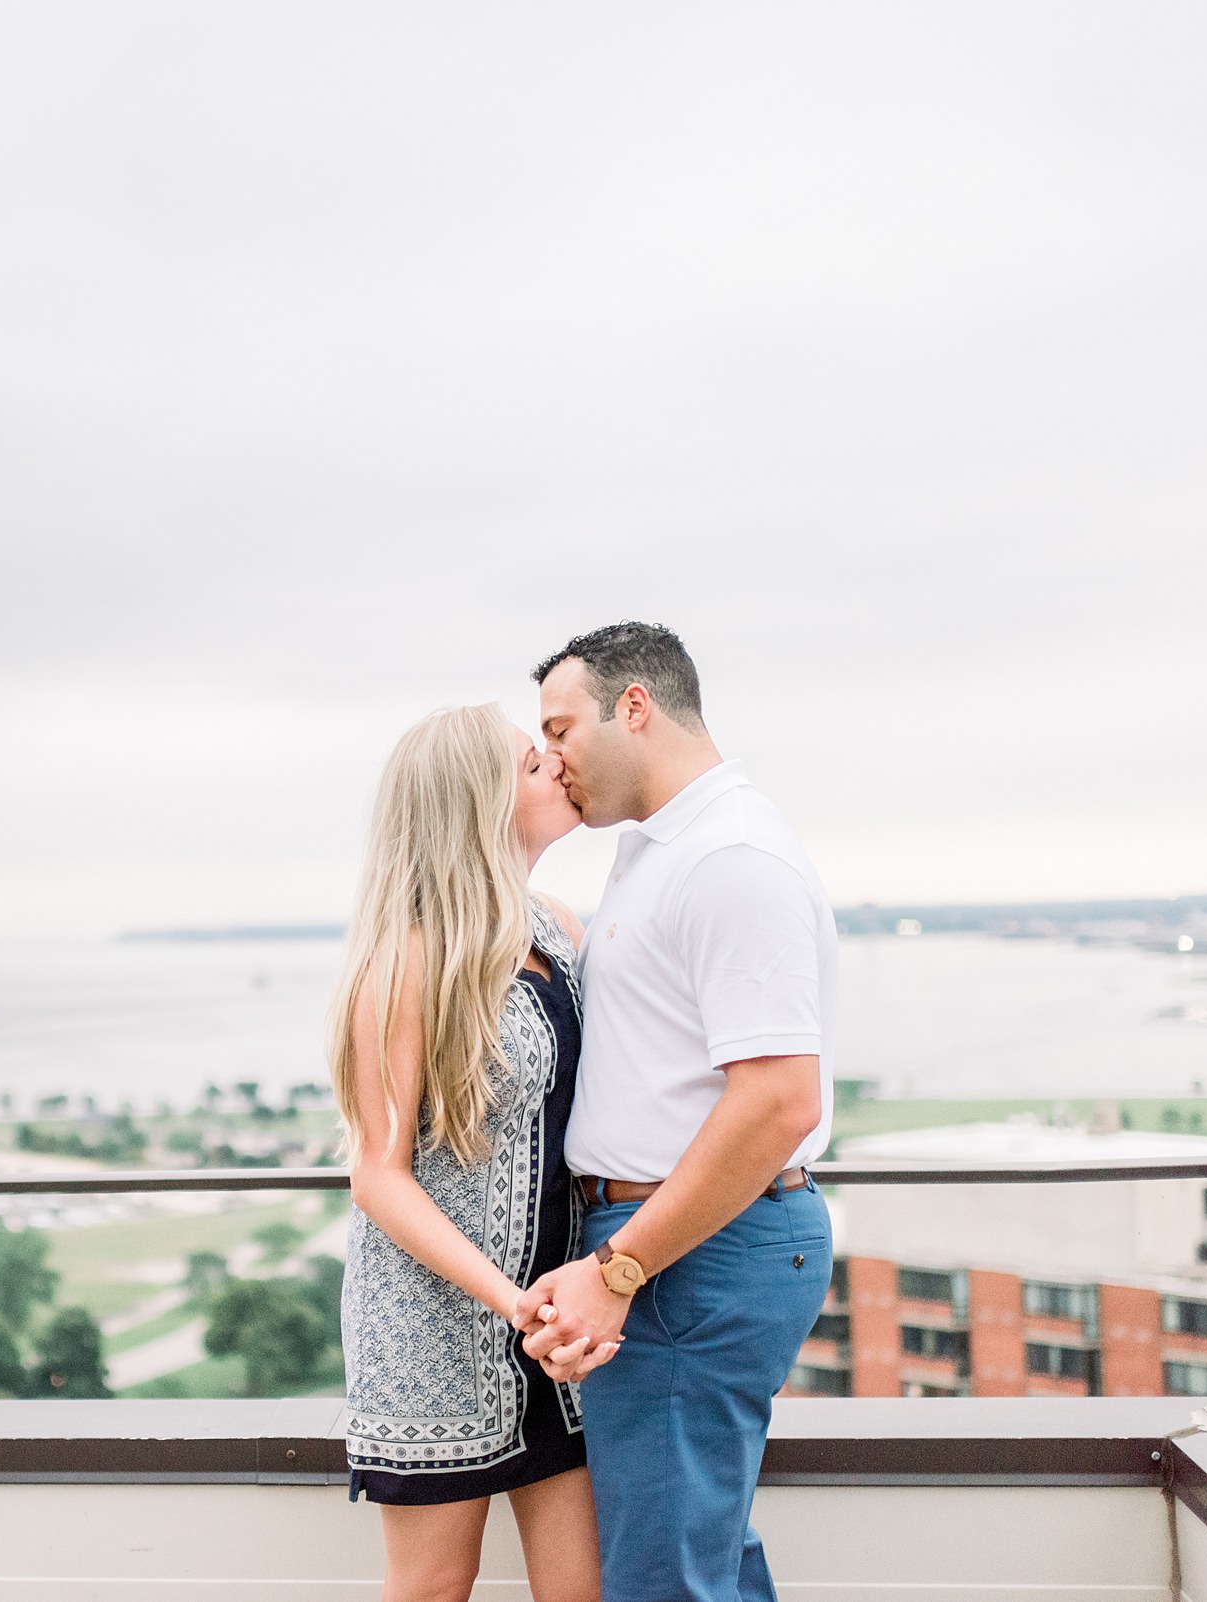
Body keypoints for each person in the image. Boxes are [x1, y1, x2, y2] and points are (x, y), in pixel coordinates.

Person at [515, 622, 838, 1602]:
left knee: (663, 1581)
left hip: (684, 1256)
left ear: (637, 708)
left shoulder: (729, 856)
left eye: (561, 729)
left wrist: (622, 1268)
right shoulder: (659, 849)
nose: (552, 757)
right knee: (700, 1561)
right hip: (676, 1249)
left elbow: (780, 1100)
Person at [331, 703, 617, 1602]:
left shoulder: (557, 928)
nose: (558, 768)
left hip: (554, 1336)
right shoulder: (408, 958)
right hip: (431, 1333)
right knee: (432, 1593)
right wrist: (514, 1304)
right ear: (481, 803)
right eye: (535, 764)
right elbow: (377, 1175)